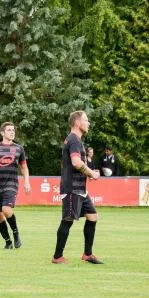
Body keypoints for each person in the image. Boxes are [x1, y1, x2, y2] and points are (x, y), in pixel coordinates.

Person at [52, 111, 103, 264]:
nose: (89, 123)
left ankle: (87, 254)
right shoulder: (73, 140)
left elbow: (77, 164)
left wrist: (89, 172)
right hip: (72, 188)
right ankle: (57, 257)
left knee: (93, 217)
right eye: (86, 120)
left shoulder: (77, 141)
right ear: (77, 123)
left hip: (80, 189)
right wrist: (92, 174)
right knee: (67, 220)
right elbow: (76, 162)